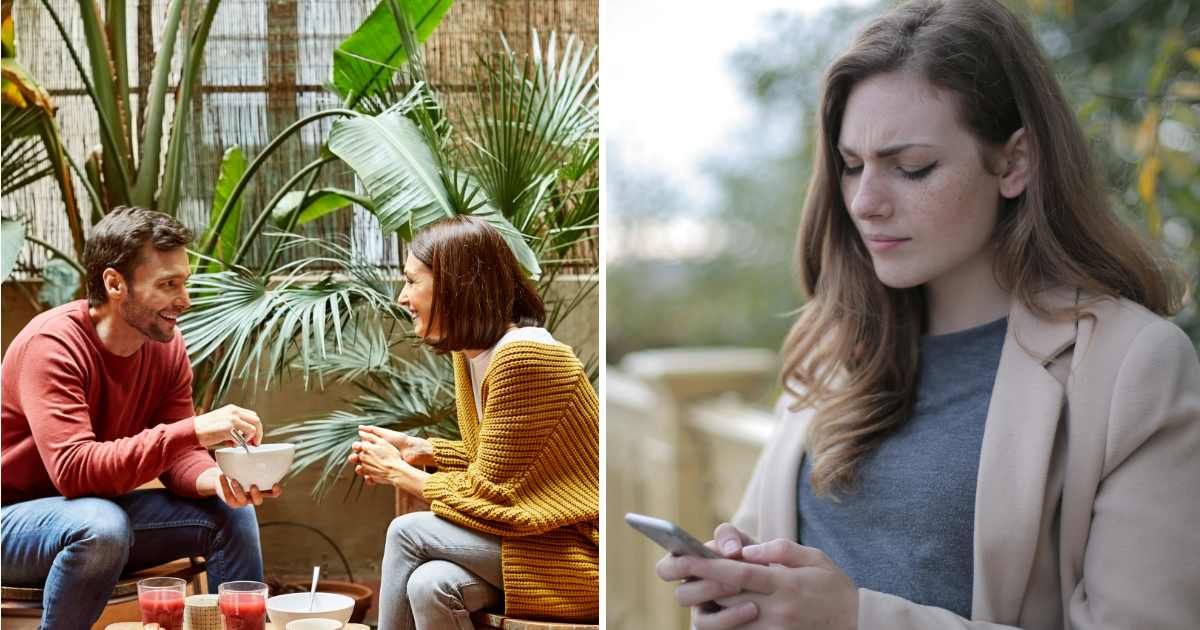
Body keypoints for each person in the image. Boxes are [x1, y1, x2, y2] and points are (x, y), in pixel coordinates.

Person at [654, 1, 1200, 628]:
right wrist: (734, 586)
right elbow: (769, 560)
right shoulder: (837, 348)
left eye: (912, 168)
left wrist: (855, 619)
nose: (865, 202)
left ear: (1015, 162)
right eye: (852, 165)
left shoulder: (1134, 366)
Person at [1, 206, 283, 628]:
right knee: (101, 525)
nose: (183, 300)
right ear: (115, 283)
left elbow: (178, 457)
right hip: (15, 523)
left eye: (183, 282)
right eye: (168, 285)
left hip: (96, 516)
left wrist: (219, 481)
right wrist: (193, 430)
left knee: (230, 513)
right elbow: (74, 471)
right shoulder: (53, 346)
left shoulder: (165, 345)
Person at [348, 215, 599, 629]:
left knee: (407, 532)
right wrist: (424, 450)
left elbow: (496, 497)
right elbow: (509, 468)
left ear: (453, 284)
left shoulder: (524, 357)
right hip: (530, 545)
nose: (401, 296)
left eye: (412, 281)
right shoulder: (472, 356)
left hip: (574, 553)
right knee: (430, 584)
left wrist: (402, 474)